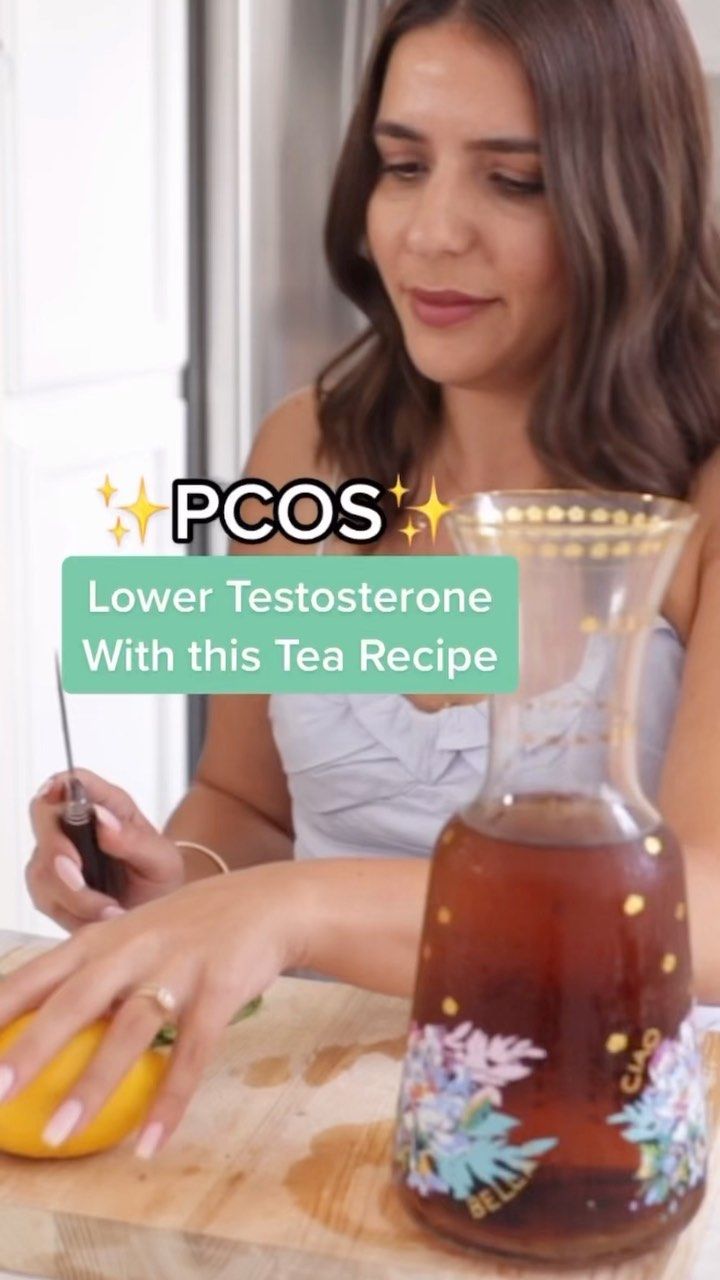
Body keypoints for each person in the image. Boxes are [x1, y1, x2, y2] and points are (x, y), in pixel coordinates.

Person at [5, 0, 720, 1163]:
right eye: (401, 165)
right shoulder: (305, 454)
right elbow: (250, 809)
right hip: (311, 1107)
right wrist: (180, 886)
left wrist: (289, 911)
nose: (431, 234)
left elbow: (703, 909)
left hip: (613, 1130)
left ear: (626, 194)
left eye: (515, 181)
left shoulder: (701, 490)